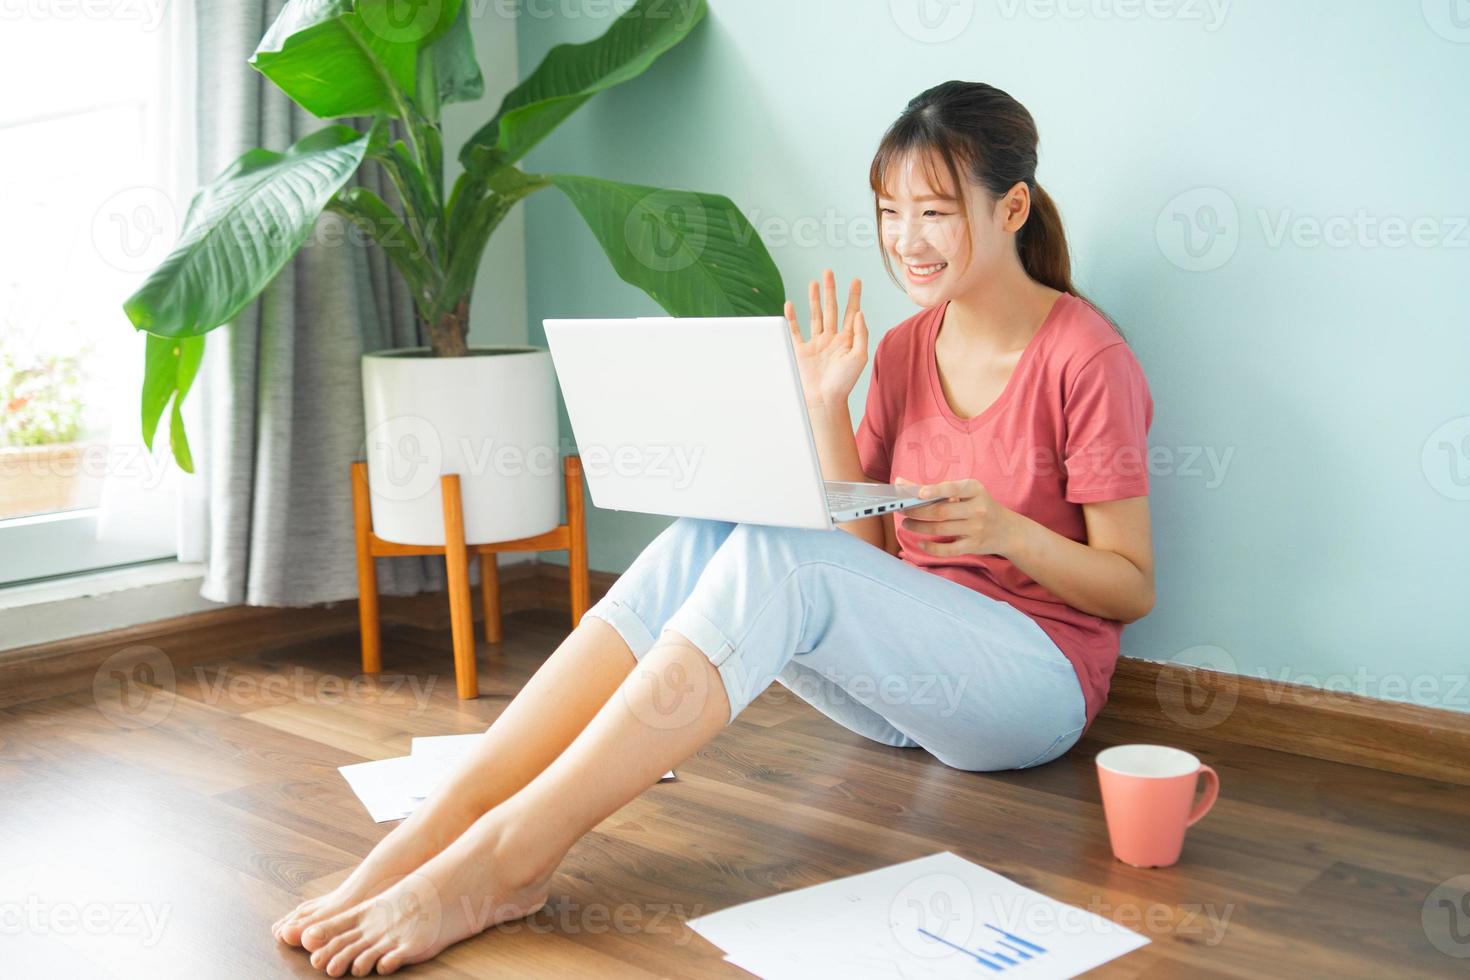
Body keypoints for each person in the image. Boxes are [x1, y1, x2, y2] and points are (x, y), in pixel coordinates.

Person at [272, 79, 1156, 976]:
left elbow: (1131, 586)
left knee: (780, 556)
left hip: (1035, 691)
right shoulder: (900, 349)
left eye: (934, 211)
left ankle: (507, 862)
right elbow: (862, 565)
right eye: (890, 211)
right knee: (713, 529)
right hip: (915, 693)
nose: (906, 240)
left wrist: (1011, 532)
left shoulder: (1085, 356)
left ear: (1011, 208)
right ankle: (444, 823)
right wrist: (825, 405)